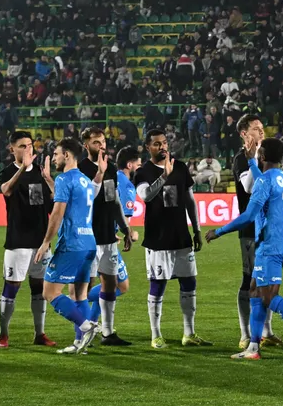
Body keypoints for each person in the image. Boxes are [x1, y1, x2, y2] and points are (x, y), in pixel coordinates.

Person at [205, 138, 283, 361]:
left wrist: (219, 231)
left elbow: (249, 216)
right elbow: (266, 184)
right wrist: (252, 162)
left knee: (269, 297)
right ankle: (253, 346)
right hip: (281, 242)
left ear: (262, 156)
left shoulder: (265, 181)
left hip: (269, 245)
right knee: (254, 291)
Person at [134, 129, 208, 349]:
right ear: (148, 147)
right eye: (157, 144)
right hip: (158, 238)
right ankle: (156, 335)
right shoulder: (143, 172)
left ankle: (189, 333)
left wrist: (196, 229)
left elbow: (190, 200)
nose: (163, 147)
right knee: (158, 284)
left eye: (165, 143)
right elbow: (146, 196)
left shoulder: (181, 167)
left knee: (189, 282)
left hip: (181, 236)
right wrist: (164, 177)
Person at [33, 138, 103, 355]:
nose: (54, 158)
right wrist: (49, 181)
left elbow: (58, 212)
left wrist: (46, 242)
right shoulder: (85, 180)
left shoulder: (64, 178)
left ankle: (86, 326)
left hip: (72, 244)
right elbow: (72, 201)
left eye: (56, 154)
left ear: (67, 155)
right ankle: (80, 343)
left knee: (50, 292)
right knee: (79, 295)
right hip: (89, 244)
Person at [0, 131, 56, 348]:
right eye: (22, 146)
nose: (27, 149)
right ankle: (3, 335)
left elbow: (53, 205)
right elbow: (6, 191)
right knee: (12, 286)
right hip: (18, 241)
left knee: (39, 288)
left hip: (41, 242)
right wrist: (23, 168)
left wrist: (49, 181)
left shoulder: (40, 173)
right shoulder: (7, 172)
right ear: (12, 149)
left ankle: (40, 334)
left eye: (30, 145)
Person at [78, 127, 134, 347]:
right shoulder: (81, 169)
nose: (101, 145)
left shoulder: (110, 168)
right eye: (96, 142)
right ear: (86, 145)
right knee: (85, 285)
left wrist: (125, 228)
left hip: (108, 237)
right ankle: (81, 333)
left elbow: (115, 201)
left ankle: (108, 333)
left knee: (110, 283)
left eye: (102, 141)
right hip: (88, 237)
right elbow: (83, 202)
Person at [232, 114, 283, 349]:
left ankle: (267, 332)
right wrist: (252, 158)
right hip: (250, 229)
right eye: (255, 128)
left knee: (269, 280)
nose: (261, 131)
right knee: (249, 280)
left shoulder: (265, 157)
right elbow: (249, 187)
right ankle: (245, 334)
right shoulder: (241, 159)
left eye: (262, 127)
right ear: (244, 134)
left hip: (270, 228)